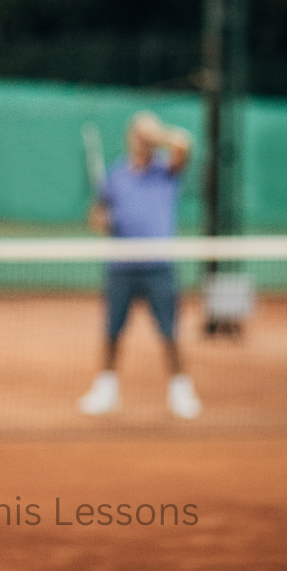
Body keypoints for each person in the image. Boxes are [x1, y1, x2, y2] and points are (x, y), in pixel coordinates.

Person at [78, 111, 201, 420]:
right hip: (121, 267)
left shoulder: (167, 171)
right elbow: (97, 215)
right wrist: (100, 220)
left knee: (169, 332)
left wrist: (157, 133)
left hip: (159, 266)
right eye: (139, 134)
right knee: (112, 332)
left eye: (149, 137)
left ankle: (180, 390)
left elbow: (185, 144)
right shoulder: (115, 175)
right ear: (129, 137)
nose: (143, 141)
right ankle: (106, 389)